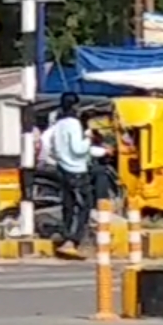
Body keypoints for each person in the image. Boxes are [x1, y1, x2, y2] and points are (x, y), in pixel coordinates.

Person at [50, 93, 104, 257]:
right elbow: (78, 149)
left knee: (68, 206)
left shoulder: (57, 125)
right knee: (82, 207)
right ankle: (71, 241)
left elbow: (55, 149)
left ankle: (66, 236)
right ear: (75, 107)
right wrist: (88, 139)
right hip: (77, 171)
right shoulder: (73, 124)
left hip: (63, 169)